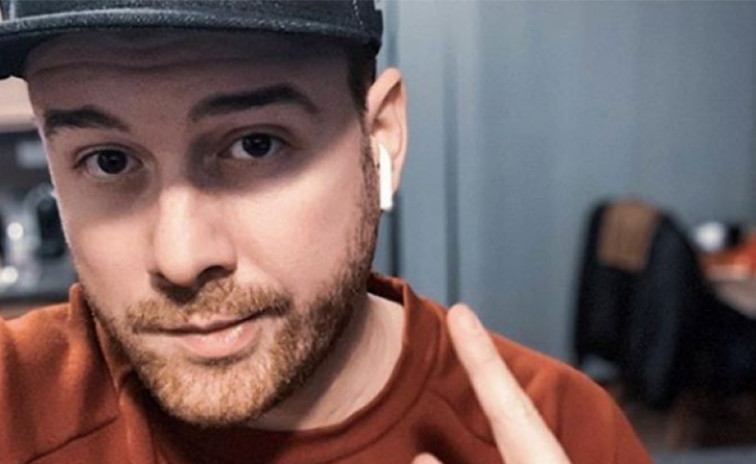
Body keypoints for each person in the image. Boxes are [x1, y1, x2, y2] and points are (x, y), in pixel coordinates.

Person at [0, 2, 651, 463]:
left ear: (381, 138)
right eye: (108, 161)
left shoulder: (564, 432)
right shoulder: (15, 405)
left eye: (256, 145)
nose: (181, 257)